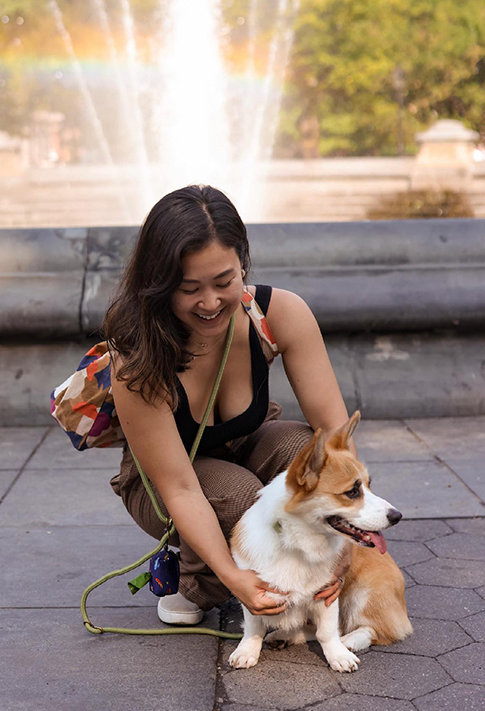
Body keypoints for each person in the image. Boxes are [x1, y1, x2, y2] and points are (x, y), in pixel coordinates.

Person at [104, 184, 356, 625]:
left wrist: (348, 538)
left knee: (310, 453)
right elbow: (180, 487)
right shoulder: (137, 354)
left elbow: (337, 440)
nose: (210, 303)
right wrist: (232, 575)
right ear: (159, 285)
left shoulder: (278, 314)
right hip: (161, 483)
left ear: (243, 263)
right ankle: (197, 583)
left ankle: (300, 577)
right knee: (245, 501)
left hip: (246, 446)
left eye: (224, 282)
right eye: (189, 289)